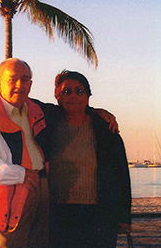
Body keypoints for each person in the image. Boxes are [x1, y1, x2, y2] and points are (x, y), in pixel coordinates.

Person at [0, 59, 118, 248]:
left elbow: (70, 107)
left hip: (41, 192)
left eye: (25, 79)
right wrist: (20, 174)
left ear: (31, 84)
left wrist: (97, 112)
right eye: (13, 79)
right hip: (4, 200)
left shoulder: (36, 110)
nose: (20, 85)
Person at [48, 70, 132, 248]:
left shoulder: (106, 130)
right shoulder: (48, 123)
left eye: (79, 91)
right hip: (58, 214)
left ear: (87, 96)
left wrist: (124, 217)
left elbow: (121, 175)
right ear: (57, 95)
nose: (73, 96)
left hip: (98, 215)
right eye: (67, 91)